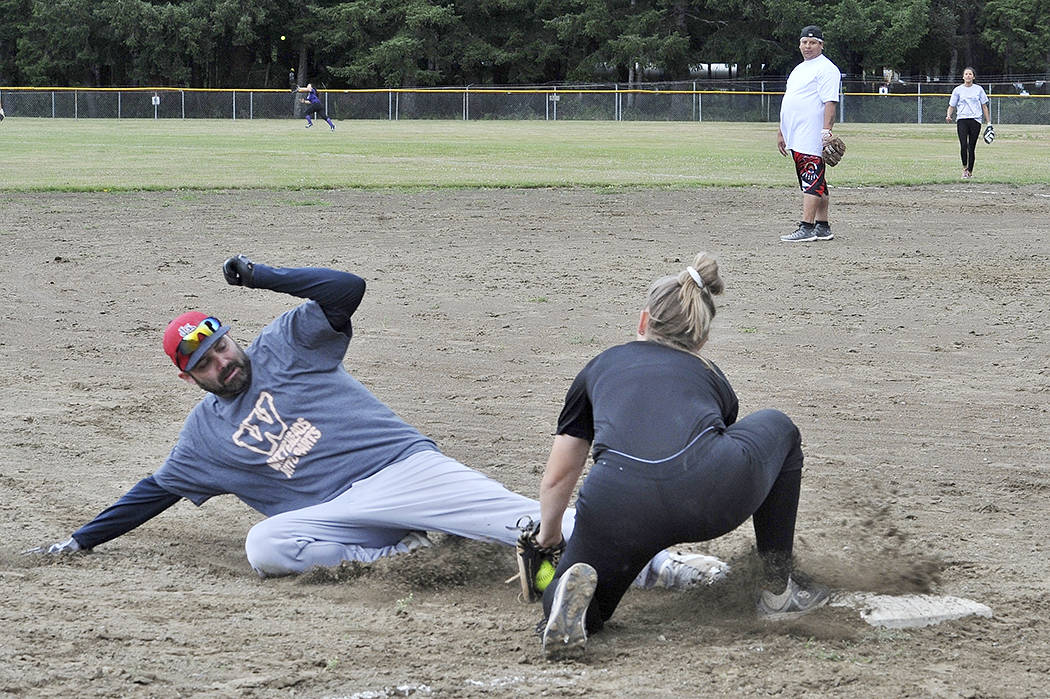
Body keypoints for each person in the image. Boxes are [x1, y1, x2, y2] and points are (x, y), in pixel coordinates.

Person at [25, 256, 717, 593]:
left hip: (400, 469)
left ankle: (664, 566)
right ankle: (406, 554)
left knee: (522, 521)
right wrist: (79, 541)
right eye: (204, 362)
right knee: (266, 545)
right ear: (190, 378)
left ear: (232, 337)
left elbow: (345, 289)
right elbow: (154, 490)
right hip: (339, 515)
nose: (222, 361)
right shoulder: (204, 438)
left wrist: (262, 275)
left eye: (221, 344)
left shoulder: (283, 343)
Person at [532, 252, 829, 659]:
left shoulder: (598, 367)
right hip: (706, 496)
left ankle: (572, 609)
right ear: (701, 339)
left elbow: (558, 476)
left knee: (579, 594)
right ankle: (778, 589)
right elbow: (725, 438)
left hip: (616, 506)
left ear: (642, 321)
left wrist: (549, 536)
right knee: (780, 427)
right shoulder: (711, 376)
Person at [777, 25, 842, 243]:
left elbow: (830, 102)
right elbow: (790, 102)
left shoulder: (826, 68)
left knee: (811, 179)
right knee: (817, 180)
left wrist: (826, 131)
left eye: (813, 42)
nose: (808, 46)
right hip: (796, 133)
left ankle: (806, 226)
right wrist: (782, 131)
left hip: (811, 133)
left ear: (821, 45)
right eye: (804, 42)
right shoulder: (799, 68)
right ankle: (822, 226)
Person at [945, 67, 991, 180]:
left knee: (971, 147)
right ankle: (965, 169)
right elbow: (952, 105)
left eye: (970, 74)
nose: (968, 76)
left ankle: (970, 170)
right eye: (966, 74)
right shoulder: (958, 90)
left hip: (975, 120)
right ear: (963, 76)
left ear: (973, 77)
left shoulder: (979, 89)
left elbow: (984, 106)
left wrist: (988, 122)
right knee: (963, 145)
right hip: (962, 119)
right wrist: (949, 115)